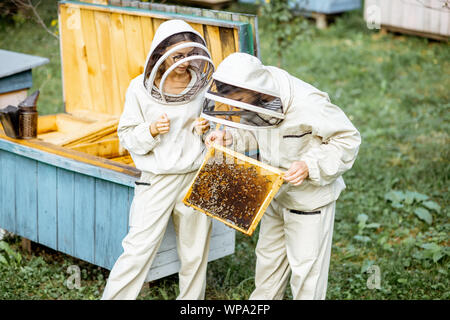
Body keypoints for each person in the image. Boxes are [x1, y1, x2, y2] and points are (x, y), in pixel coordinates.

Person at [203, 52, 361, 300]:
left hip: (308, 201)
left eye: (239, 100)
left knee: (306, 274)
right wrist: (230, 138)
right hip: (273, 194)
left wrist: (310, 165)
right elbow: (259, 131)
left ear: (256, 89)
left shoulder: (308, 103)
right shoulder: (256, 95)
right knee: (267, 266)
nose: (234, 108)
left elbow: (347, 139)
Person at [101, 19, 214, 300]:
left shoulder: (201, 86)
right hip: (157, 180)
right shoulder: (138, 89)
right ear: (160, 54)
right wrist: (150, 130)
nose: (185, 62)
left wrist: (206, 130)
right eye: (177, 56)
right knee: (138, 249)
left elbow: (217, 127)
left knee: (195, 251)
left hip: (194, 177)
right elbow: (126, 135)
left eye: (190, 55)